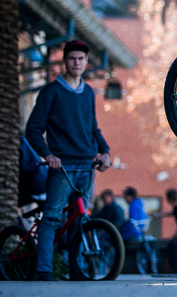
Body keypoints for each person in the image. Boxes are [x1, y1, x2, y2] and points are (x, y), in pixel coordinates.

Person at [25, 40, 112, 281]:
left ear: (86, 62)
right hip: (61, 167)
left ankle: (77, 270)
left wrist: (104, 151)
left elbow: (93, 128)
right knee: (52, 217)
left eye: (81, 59)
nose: (76, 62)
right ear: (65, 61)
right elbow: (32, 129)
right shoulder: (51, 92)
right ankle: (43, 271)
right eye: (72, 58)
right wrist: (48, 155)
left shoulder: (88, 93)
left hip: (87, 166)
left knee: (80, 219)